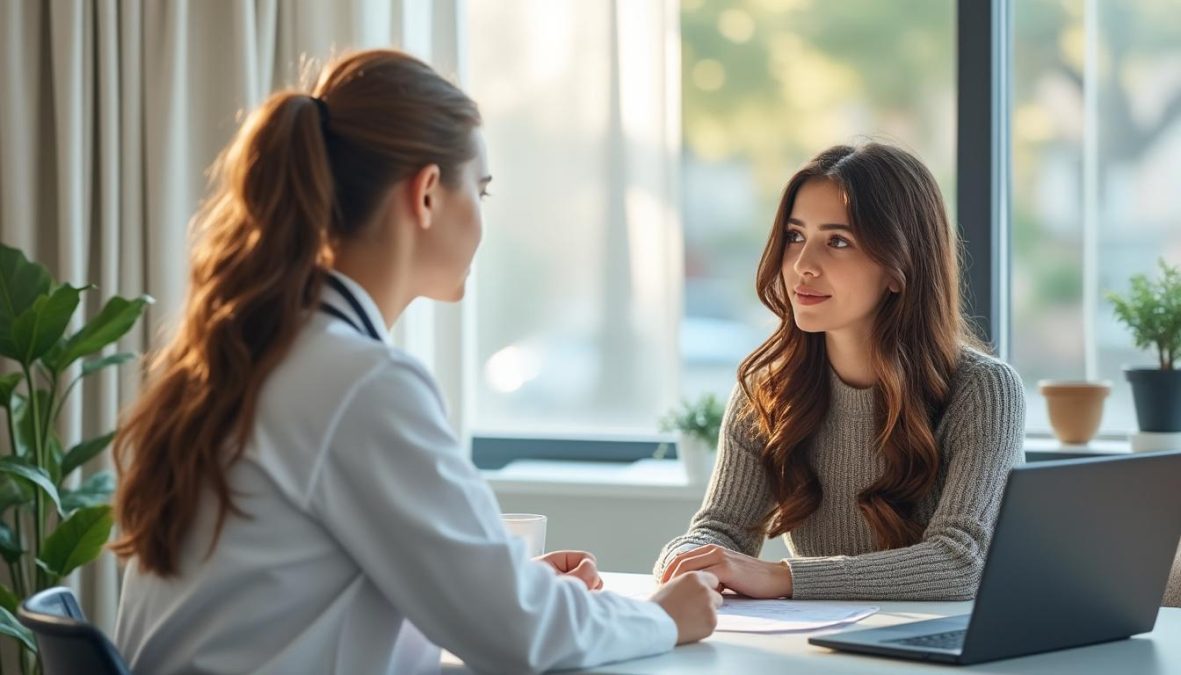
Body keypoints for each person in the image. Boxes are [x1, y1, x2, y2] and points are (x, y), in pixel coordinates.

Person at [111, 49, 720, 675]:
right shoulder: (359, 382)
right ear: (426, 194)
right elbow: (518, 636)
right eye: (480, 190)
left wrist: (487, 589)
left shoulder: (253, 354)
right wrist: (661, 617)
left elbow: (297, 590)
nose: (484, 217)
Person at [656, 143, 1025, 602]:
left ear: (898, 267)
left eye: (837, 242)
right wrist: (688, 560)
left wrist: (783, 577)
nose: (802, 265)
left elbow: (961, 563)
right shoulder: (767, 389)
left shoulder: (984, 389)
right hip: (821, 646)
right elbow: (721, 529)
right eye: (795, 236)